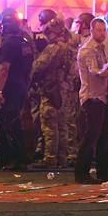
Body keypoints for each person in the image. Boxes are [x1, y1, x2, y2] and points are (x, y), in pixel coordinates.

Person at [74, 18, 108, 184]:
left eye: (104, 30)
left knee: (104, 137)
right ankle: (82, 173)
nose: (103, 33)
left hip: (103, 97)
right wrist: (107, 70)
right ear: (91, 30)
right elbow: (95, 71)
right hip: (92, 99)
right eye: (99, 30)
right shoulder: (88, 50)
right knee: (90, 137)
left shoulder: (101, 47)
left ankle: (104, 173)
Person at [0, 16, 35, 171]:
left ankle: (17, 159)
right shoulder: (25, 44)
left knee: (10, 123)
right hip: (21, 86)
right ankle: (6, 158)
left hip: (10, 88)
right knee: (10, 123)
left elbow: (4, 67)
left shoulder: (8, 45)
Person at [31, 18, 72, 169]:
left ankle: (50, 158)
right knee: (62, 125)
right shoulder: (69, 47)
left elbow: (37, 66)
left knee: (49, 126)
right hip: (64, 89)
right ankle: (62, 157)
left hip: (51, 89)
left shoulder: (53, 48)